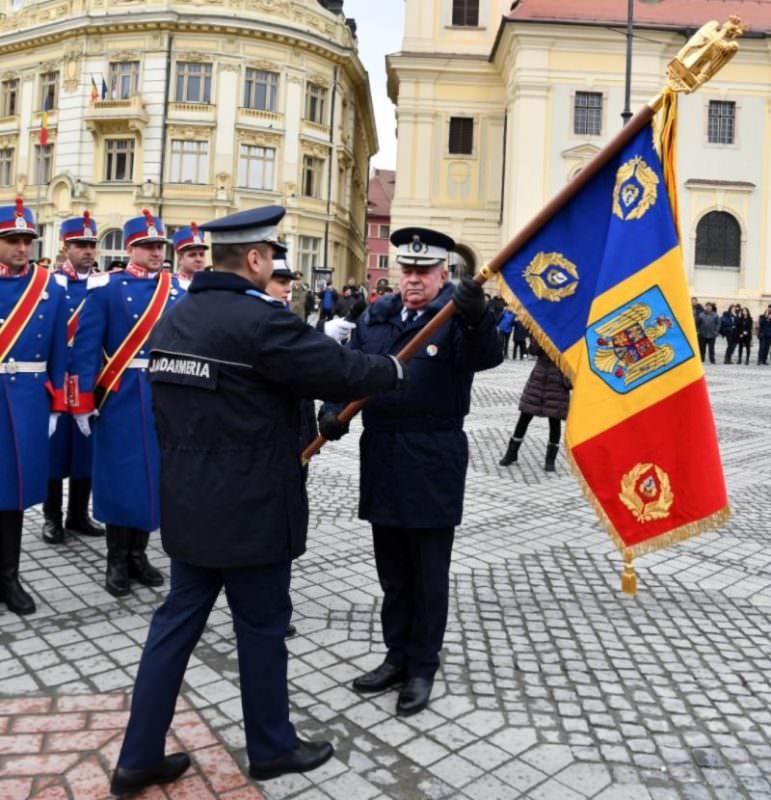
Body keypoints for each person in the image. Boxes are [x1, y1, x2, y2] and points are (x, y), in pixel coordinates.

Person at [108, 205, 408, 797]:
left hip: (189, 506)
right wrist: (393, 368)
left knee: (172, 628)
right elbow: (339, 369)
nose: (273, 264)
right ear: (252, 259)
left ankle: (136, 756)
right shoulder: (261, 322)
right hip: (253, 510)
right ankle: (271, 748)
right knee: (262, 629)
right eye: (271, 256)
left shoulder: (175, 317)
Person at [319, 226, 502, 717]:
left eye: (424, 271)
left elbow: (486, 356)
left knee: (428, 575)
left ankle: (422, 664)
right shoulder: (377, 318)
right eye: (408, 270)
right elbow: (351, 368)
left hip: (432, 457)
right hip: (382, 454)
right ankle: (395, 655)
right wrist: (332, 407)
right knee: (393, 574)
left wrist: (476, 314)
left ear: (444, 274)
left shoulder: (456, 319)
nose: (414, 279)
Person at [69, 210, 185, 598]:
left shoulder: (177, 291)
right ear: (132, 249)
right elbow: (86, 347)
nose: (156, 252)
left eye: (160, 246)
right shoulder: (105, 288)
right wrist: (82, 399)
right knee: (119, 478)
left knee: (154, 477)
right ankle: (116, 558)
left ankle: (139, 553)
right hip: (118, 394)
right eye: (149, 246)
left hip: (163, 394)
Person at [0, 198, 68, 615]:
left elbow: (61, 346)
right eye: (12, 240)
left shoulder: (49, 286)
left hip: (26, 400)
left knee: (12, 492)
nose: (22, 248)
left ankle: (9, 575)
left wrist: (58, 401)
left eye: (27, 240)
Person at [43, 212, 105, 545]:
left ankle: (79, 514)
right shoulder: (49, 283)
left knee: (86, 451)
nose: (87, 251)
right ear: (66, 246)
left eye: (91, 245)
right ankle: (52, 517)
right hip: (56, 379)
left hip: (88, 380)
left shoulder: (106, 285)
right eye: (80, 245)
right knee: (53, 452)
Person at [499, 341, 570, 471]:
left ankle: (550, 459)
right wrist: (538, 339)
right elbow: (532, 351)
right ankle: (512, 453)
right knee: (524, 418)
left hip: (557, 384)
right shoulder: (543, 331)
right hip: (538, 380)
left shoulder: (568, 338)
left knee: (554, 421)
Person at [172, 223, 208, 290]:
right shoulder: (169, 285)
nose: (199, 259)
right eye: (192, 255)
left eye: (202, 254)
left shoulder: (208, 285)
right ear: (180, 258)